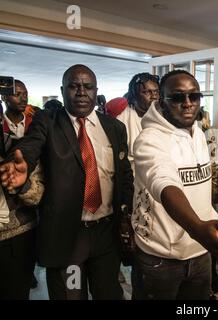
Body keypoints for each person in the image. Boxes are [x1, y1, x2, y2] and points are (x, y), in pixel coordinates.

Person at [0, 64, 134, 300]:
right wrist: (22, 163)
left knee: (109, 293)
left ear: (96, 90)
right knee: (70, 295)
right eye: (73, 86)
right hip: (67, 237)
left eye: (88, 87)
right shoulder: (47, 121)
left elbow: (124, 176)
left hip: (105, 234)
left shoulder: (115, 127)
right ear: (62, 91)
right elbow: (31, 145)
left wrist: (125, 214)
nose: (81, 92)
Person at [131, 70, 218, 300]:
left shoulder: (198, 134)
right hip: (161, 258)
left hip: (200, 253)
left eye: (194, 96)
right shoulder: (149, 139)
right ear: (162, 103)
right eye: (177, 97)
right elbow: (164, 182)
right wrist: (197, 229)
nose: (187, 104)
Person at [0, 79, 43, 299]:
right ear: (5, 97)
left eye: (25, 93)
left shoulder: (37, 126)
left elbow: (38, 188)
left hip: (22, 223)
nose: (23, 97)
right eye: (17, 93)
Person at [112, 73, 160, 171]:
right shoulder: (121, 119)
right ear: (134, 95)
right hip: (131, 176)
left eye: (156, 92)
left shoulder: (164, 117)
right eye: (147, 92)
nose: (153, 97)